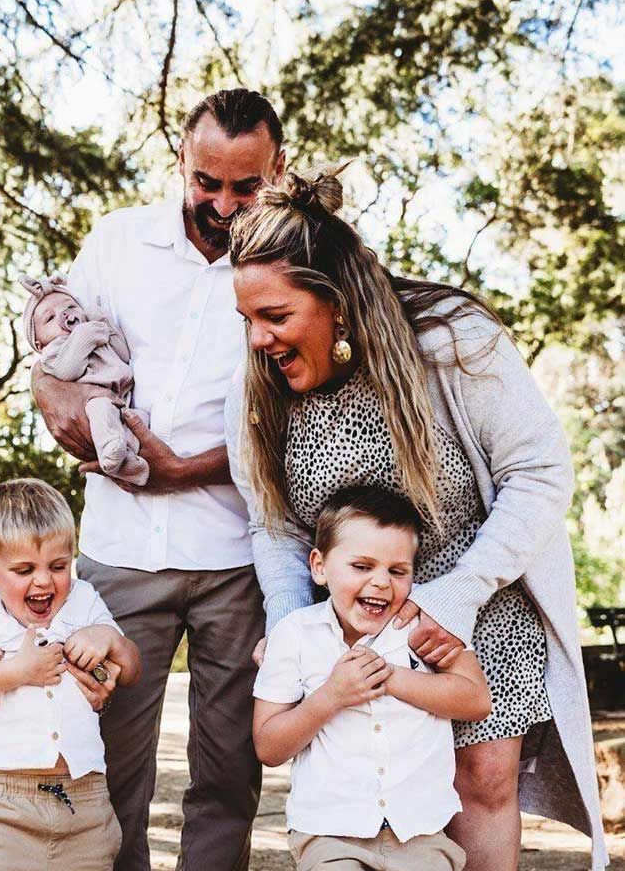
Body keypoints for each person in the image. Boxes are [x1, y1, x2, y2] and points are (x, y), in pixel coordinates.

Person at [225, 169, 608, 871]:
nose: (257, 340)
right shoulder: (258, 385)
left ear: (336, 304)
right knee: (373, 792)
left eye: (275, 317)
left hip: (478, 591)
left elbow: (541, 470)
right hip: (357, 610)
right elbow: (274, 524)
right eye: (246, 319)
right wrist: (289, 623)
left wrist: (453, 598)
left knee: (479, 782)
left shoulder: (451, 339)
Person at [32, 88, 286, 871]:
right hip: (118, 551)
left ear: (277, 170)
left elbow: (299, 410)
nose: (224, 203)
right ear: (181, 160)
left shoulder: (293, 256)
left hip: (239, 554)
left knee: (228, 773)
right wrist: (61, 404)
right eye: (207, 181)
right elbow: (61, 357)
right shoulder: (117, 241)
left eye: (247, 187)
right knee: (107, 764)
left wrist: (185, 469)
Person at [254, 485, 491, 871]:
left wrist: (392, 678)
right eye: (362, 566)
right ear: (319, 566)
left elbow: (475, 700)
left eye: (397, 571)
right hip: (330, 835)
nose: (381, 582)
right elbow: (268, 746)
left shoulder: (424, 627)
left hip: (420, 834)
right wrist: (330, 696)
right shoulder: (294, 634)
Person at [0, 478, 141, 870]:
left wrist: (109, 638)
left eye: (58, 566)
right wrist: (17, 671)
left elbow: (132, 669)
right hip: (1, 802)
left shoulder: (83, 599)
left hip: (86, 799)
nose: (44, 580)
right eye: (23, 569)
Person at [21, 272, 149, 485]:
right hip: (94, 405)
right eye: (50, 318)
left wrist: (98, 318)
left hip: (123, 399)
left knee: (140, 419)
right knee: (101, 410)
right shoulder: (54, 352)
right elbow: (67, 370)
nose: (64, 316)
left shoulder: (93, 332)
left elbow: (123, 354)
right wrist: (87, 332)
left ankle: (129, 465)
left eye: (70, 307)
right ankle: (111, 456)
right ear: (39, 343)